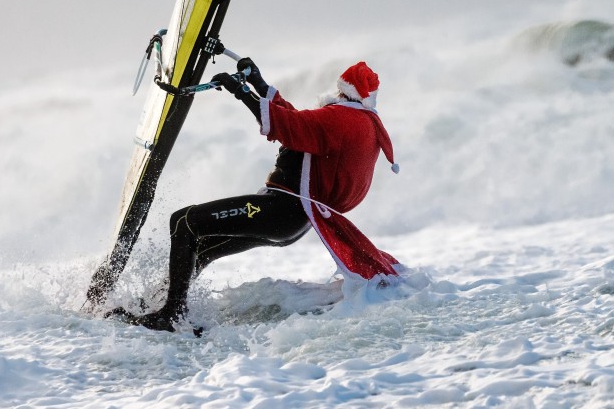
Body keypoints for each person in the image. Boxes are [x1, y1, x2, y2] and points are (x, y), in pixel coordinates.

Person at [108, 58, 398, 332]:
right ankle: (163, 304)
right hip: (291, 220)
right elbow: (299, 121)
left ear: (343, 91)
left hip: (281, 211)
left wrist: (240, 92)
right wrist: (260, 86)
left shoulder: (340, 120)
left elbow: (288, 125)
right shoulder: (355, 122)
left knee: (184, 222)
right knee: (204, 246)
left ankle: (171, 315)